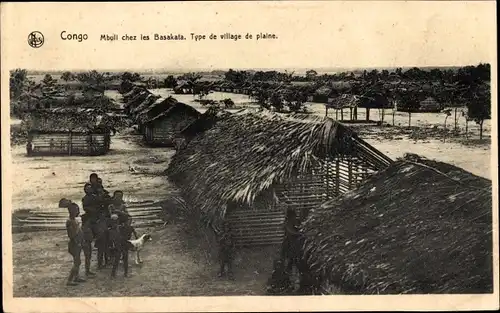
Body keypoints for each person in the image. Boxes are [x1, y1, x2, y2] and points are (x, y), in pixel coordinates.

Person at [64, 200, 86, 286]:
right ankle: (69, 280)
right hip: (74, 244)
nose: (78, 212)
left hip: (78, 243)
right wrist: (78, 241)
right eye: (77, 210)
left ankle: (76, 277)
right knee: (77, 262)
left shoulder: (74, 220)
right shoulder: (70, 221)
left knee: (78, 261)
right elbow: (71, 235)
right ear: (72, 211)